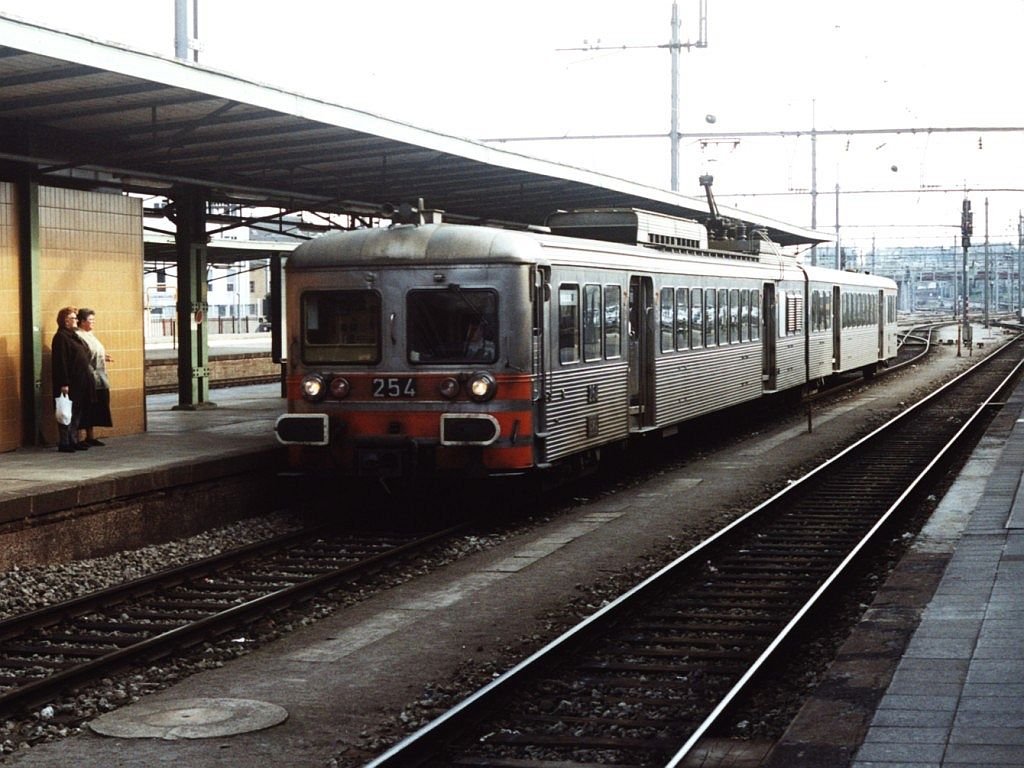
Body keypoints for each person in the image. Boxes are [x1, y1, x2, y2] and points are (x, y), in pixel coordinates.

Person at [50, 306, 95, 453]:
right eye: (73, 318)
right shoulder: (61, 337)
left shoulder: (74, 336)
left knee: (76, 411)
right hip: (70, 382)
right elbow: (61, 361)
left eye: (76, 318)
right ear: (65, 321)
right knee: (66, 411)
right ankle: (65, 442)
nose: (76, 320)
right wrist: (64, 382)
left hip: (80, 381)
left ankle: (73, 440)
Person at [76, 307, 113, 446]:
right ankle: (80, 437)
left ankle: (90, 435)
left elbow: (94, 352)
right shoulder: (78, 336)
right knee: (86, 406)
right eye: (90, 320)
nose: (93, 322)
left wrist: (103, 356)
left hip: (100, 377)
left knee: (96, 406)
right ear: (82, 321)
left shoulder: (90, 334)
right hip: (89, 376)